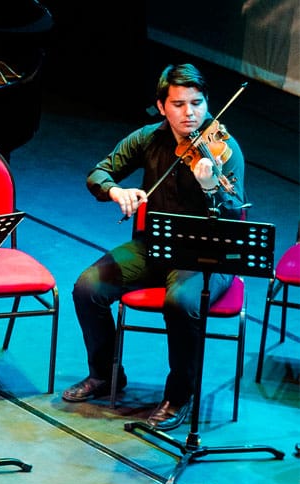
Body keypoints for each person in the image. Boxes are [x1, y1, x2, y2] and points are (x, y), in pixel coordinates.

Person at [63, 63, 246, 431]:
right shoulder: (147, 138)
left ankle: (179, 395)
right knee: (87, 287)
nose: (190, 113)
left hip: (206, 255)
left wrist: (210, 187)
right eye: (179, 104)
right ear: (162, 106)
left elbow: (235, 212)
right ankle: (105, 374)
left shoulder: (224, 149)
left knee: (180, 303)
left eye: (197, 103)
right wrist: (116, 191)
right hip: (154, 247)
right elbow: (99, 173)